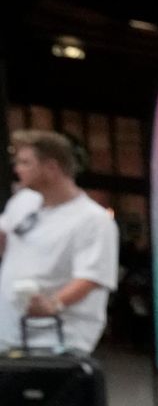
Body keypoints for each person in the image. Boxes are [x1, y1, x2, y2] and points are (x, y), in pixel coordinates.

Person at [0, 129, 119, 353]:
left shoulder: (92, 220)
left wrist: (54, 303)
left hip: (56, 338)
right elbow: (6, 238)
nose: (17, 169)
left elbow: (92, 276)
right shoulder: (24, 202)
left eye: (26, 163)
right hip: (9, 332)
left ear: (52, 168)